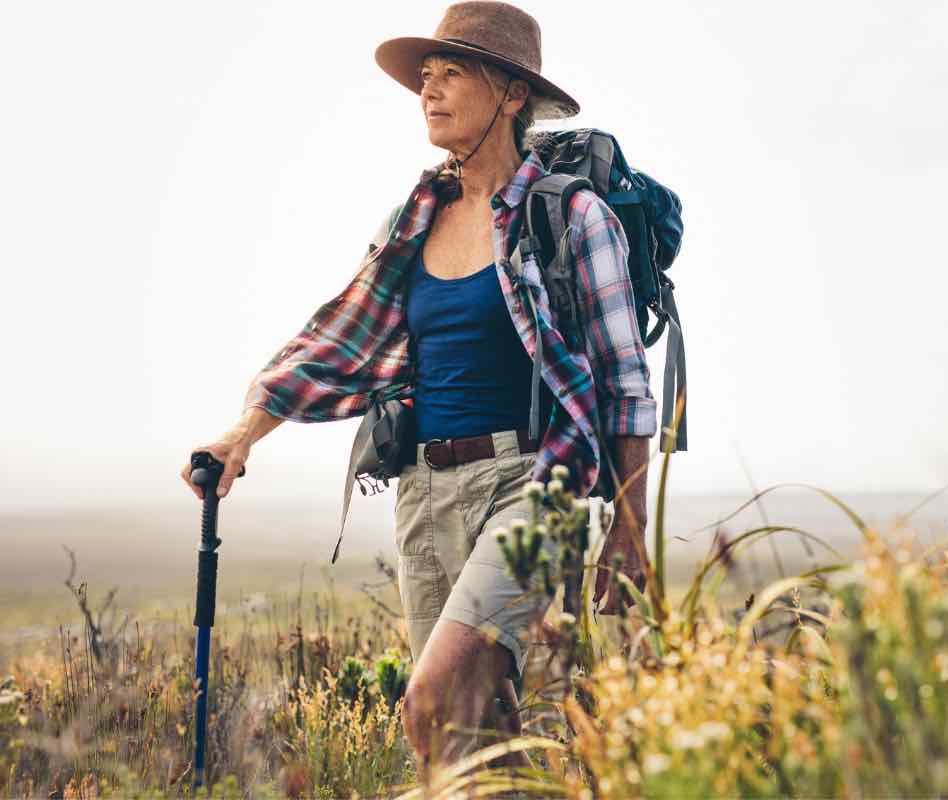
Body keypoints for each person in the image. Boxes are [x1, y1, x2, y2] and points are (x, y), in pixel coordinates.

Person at [180, 0, 658, 774]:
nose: (429, 92)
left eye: (452, 74)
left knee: (431, 699)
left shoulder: (572, 217)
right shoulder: (414, 215)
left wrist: (631, 535)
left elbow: (627, 384)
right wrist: (243, 432)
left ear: (510, 95)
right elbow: (338, 335)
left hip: (534, 490)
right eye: (425, 77)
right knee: (470, 746)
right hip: (424, 493)